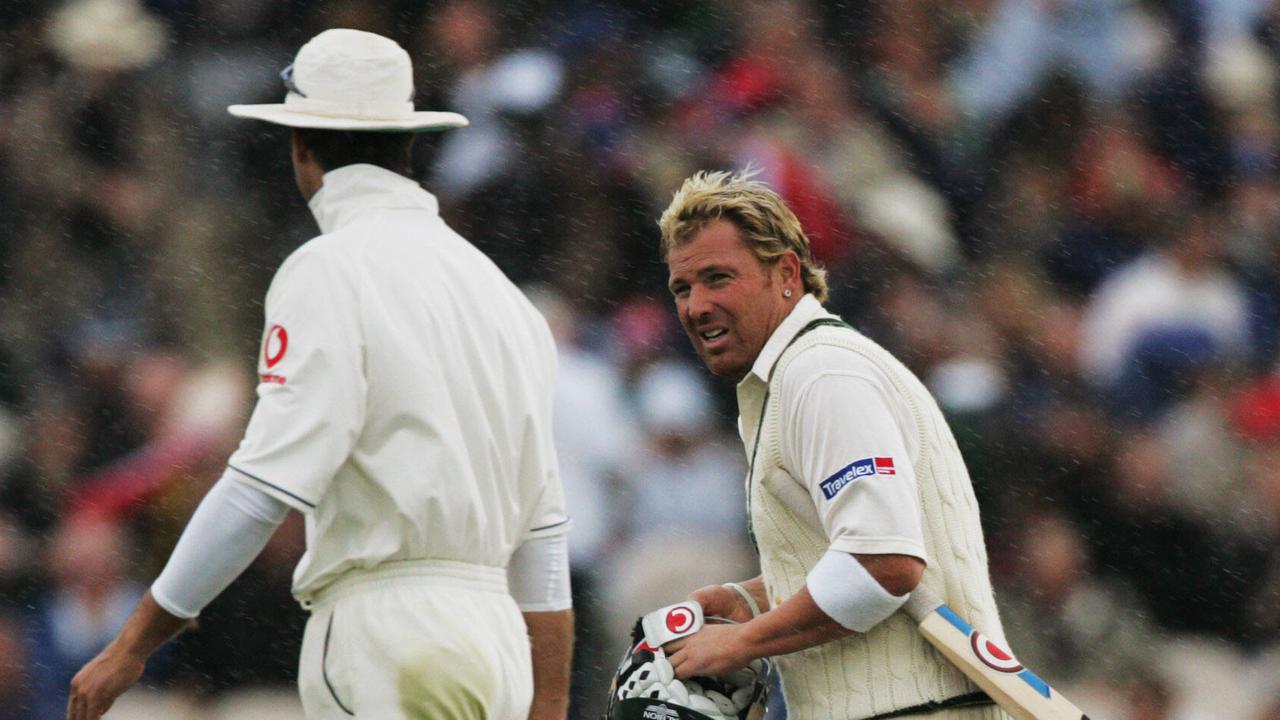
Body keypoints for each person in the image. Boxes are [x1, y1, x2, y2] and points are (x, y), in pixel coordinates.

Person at [67, 29, 573, 720]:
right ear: (407, 143)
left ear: (301, 146)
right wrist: (549, 703)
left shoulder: (326, 269)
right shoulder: (503, 296)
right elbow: (542, 536)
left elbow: (259, 486)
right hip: (498, 647)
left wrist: (132, 643)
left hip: (388, 638)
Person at [656, 169, 1010, 719]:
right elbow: (857, 557)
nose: (696, 305)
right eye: (683, 287)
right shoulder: (799, 374)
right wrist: (756, 598)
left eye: (718, 278)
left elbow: (885, 564)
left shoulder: (822, 375)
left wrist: (741, 642)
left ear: (787, 274)